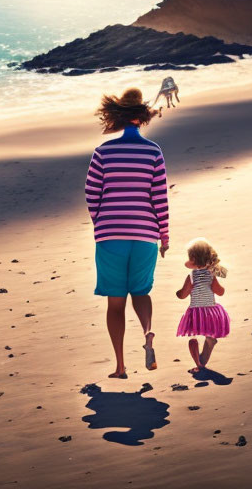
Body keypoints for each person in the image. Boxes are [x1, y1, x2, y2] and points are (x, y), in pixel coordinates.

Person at [85, 88, 169, 379]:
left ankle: (120, 367)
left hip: (110, 236)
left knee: (116, 302)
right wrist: (164, 235)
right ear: (143, 118)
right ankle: (148, 332)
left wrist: (101, 224)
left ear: (119, 117)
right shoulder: (153, 152)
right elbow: (160, 198)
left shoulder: (103, 152)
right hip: (146, 235)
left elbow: (91, 194)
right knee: (141, 292)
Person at [176, 238, 230, 373]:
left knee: (192, 338)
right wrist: (218, 287)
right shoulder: (212, 275)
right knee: (208, 334)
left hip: (196, 312)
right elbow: (220, 291)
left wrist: (178, 293)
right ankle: (204, 357)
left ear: (193, 259)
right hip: (211, 311)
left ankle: (199, 365)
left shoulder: (192, 276)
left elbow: (183, 294)